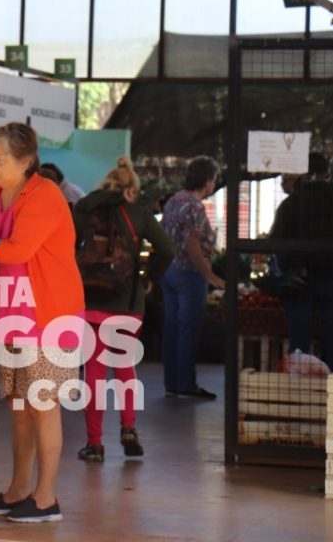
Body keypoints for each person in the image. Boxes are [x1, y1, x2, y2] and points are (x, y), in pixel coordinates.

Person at [0, 123, 84, 524]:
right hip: (13, 315)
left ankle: (46, 497)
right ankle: (19, 489)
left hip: (49, 316)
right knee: (19, 406)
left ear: (26, 161)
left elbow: (16, 250)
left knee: (42, 405)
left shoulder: (46, 196)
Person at [72, 157, 175, 462]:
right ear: (131, 189)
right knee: (125, 368)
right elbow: (167, 249)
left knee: (94, 372)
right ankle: (128, 428)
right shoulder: (138, 212)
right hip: (127, 302)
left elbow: (67, 245)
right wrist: (148, 278)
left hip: (90, 300)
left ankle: (94, 444)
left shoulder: (85, 210)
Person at [159, 155, 225, 399]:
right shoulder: (195, 206)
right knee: (188, 329)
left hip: (168, 271)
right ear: (207, 181)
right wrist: (208, 274)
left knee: (172, 328)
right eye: (214, 180)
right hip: (189, 274)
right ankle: (186, 383)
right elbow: (192, 242)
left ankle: (172, 382)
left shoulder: (174, 200)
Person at [269, 152, 333, 372]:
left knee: (299, 346)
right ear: (327, 174)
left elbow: (276, 243)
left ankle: (299, 396)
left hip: (299, 281)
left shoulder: (291, 204)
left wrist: (289, 269)